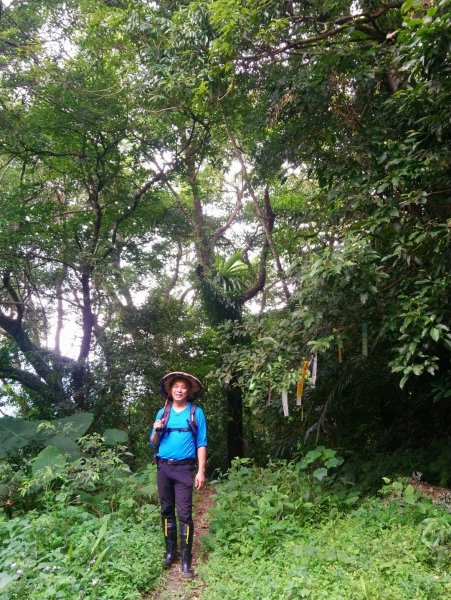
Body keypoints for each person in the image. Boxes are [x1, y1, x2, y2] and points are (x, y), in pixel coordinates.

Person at [150, 371, 207, 579]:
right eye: (176, 387)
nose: (180, 390)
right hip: (163, 467)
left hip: (185, 469)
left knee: (184, 514)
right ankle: (169, 552)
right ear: (170, 390)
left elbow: (201, 442)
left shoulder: (195, 412)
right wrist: (156, 430)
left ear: (189, 390)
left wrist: (201, 471)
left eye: (183, 387)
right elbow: (154, 443)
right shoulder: (162, 412)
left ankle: (186, 560)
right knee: (166, 510)